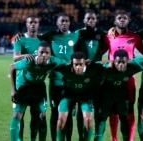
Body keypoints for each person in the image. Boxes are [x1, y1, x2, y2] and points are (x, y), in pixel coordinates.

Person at [9, 41, 66, 141]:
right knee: (17, 115)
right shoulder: (29, 61)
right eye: (41, 52)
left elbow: (68, 64)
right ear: (37, 52)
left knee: (42, 116)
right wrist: (13, 90)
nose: (44, 55)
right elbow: (12, 67)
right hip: (24, 86)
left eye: (46, 53)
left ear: (50, 54)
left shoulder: (54, 61)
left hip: (38, 87)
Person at [102, 10, 143, 141]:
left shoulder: (135, 37)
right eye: (119, 18)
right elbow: (99, 54)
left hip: (129, 79)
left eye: (124, 18)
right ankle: (114, 139)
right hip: (112, 77)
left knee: (129, 111)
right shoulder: (107, 37)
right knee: (113, 112)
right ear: (115, 21)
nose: (122, 20)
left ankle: (129, 139)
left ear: (128, 20)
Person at [38, 12, 79, 141]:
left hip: (70, 80)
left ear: (69, 23)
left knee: (68, 112)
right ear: (57, 23)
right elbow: (34, 38)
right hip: (55, 80)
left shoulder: (76, 36)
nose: (64, 23)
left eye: (66, 21)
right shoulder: (50, 36)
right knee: (55, 112)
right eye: (62, 21)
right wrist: (21, 36)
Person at [94, 49, 143, 141]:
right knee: (102, 119)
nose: (121, 64)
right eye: (118, 62)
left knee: (124, 118)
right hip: (106, 97)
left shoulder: (131, 67)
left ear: (127, 61)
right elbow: (92, 64)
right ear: (113, 61)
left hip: (121, 97)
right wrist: (107, 62)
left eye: (123, 62)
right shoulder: (105, 67)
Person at [55, 52, 104, 141]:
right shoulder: (65, 68)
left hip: (85, 96)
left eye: (81, 64)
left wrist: (95, 62)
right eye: (75, 64)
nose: (78, 67)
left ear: (85, 63)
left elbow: (109, 62)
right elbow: (52, 62)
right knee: (61, 119)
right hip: (68, 95)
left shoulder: (92, 68)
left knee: (88, 121)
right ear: (71, 63)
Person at [12, 14, 47, 141]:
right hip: (22, 83)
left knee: (36, 115)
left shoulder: (42, 40)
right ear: (26, 24)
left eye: (35, 22)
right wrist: (25, 55)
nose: (33, 24)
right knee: (19, 115)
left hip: (37, 84)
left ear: (38, 24)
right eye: (30, 22)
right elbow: (15, 58)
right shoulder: (20, 40)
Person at [74, 9, 106, 141]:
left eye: (93, 19)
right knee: (82, 106)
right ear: (84, 20)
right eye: (89, 19)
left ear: (96, 20)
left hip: (97, 75)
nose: (91, 21)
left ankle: (97, 137)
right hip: (81, 74)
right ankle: (82, 137)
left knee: (99, 107)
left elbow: (110, 43)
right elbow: (72, 51)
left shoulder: (101, 34)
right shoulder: (78, 34)